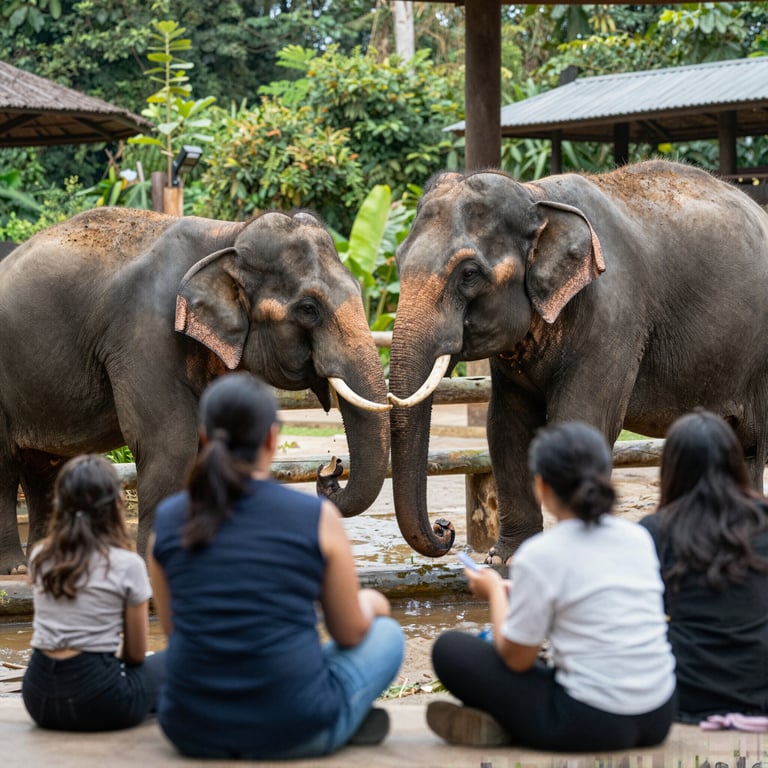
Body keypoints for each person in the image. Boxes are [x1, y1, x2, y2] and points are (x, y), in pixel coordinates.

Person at [148, 372, 404, 759]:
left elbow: (174, 631)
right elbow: (350, 633)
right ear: (271, 438)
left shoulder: (166, 521)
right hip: (295, 729)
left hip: (190, 728)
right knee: (387, 635)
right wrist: (373, 604)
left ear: (204, 438)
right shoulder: (316, 517)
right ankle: (340, 717)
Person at [428, 421, 677, 751]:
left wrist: (494, 597)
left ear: (541, 487)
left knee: (449, 650)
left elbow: (517, 659)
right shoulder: (639, 538)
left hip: (594, 722)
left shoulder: (540, 554)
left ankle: (505, 727)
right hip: (659, 713)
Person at [639, 410, 768, 724]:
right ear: (735, 463)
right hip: (760, 691)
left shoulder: (654, 531)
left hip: (684, 693)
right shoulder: (763, 520)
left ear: (671, 469)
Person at [22, 454, 165, 731]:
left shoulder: (40, 556)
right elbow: (136, 654)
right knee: (173, 661)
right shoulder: (127, 564)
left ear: (60, 505)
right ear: (117, 505)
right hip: (99, 701)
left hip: (39, 698)